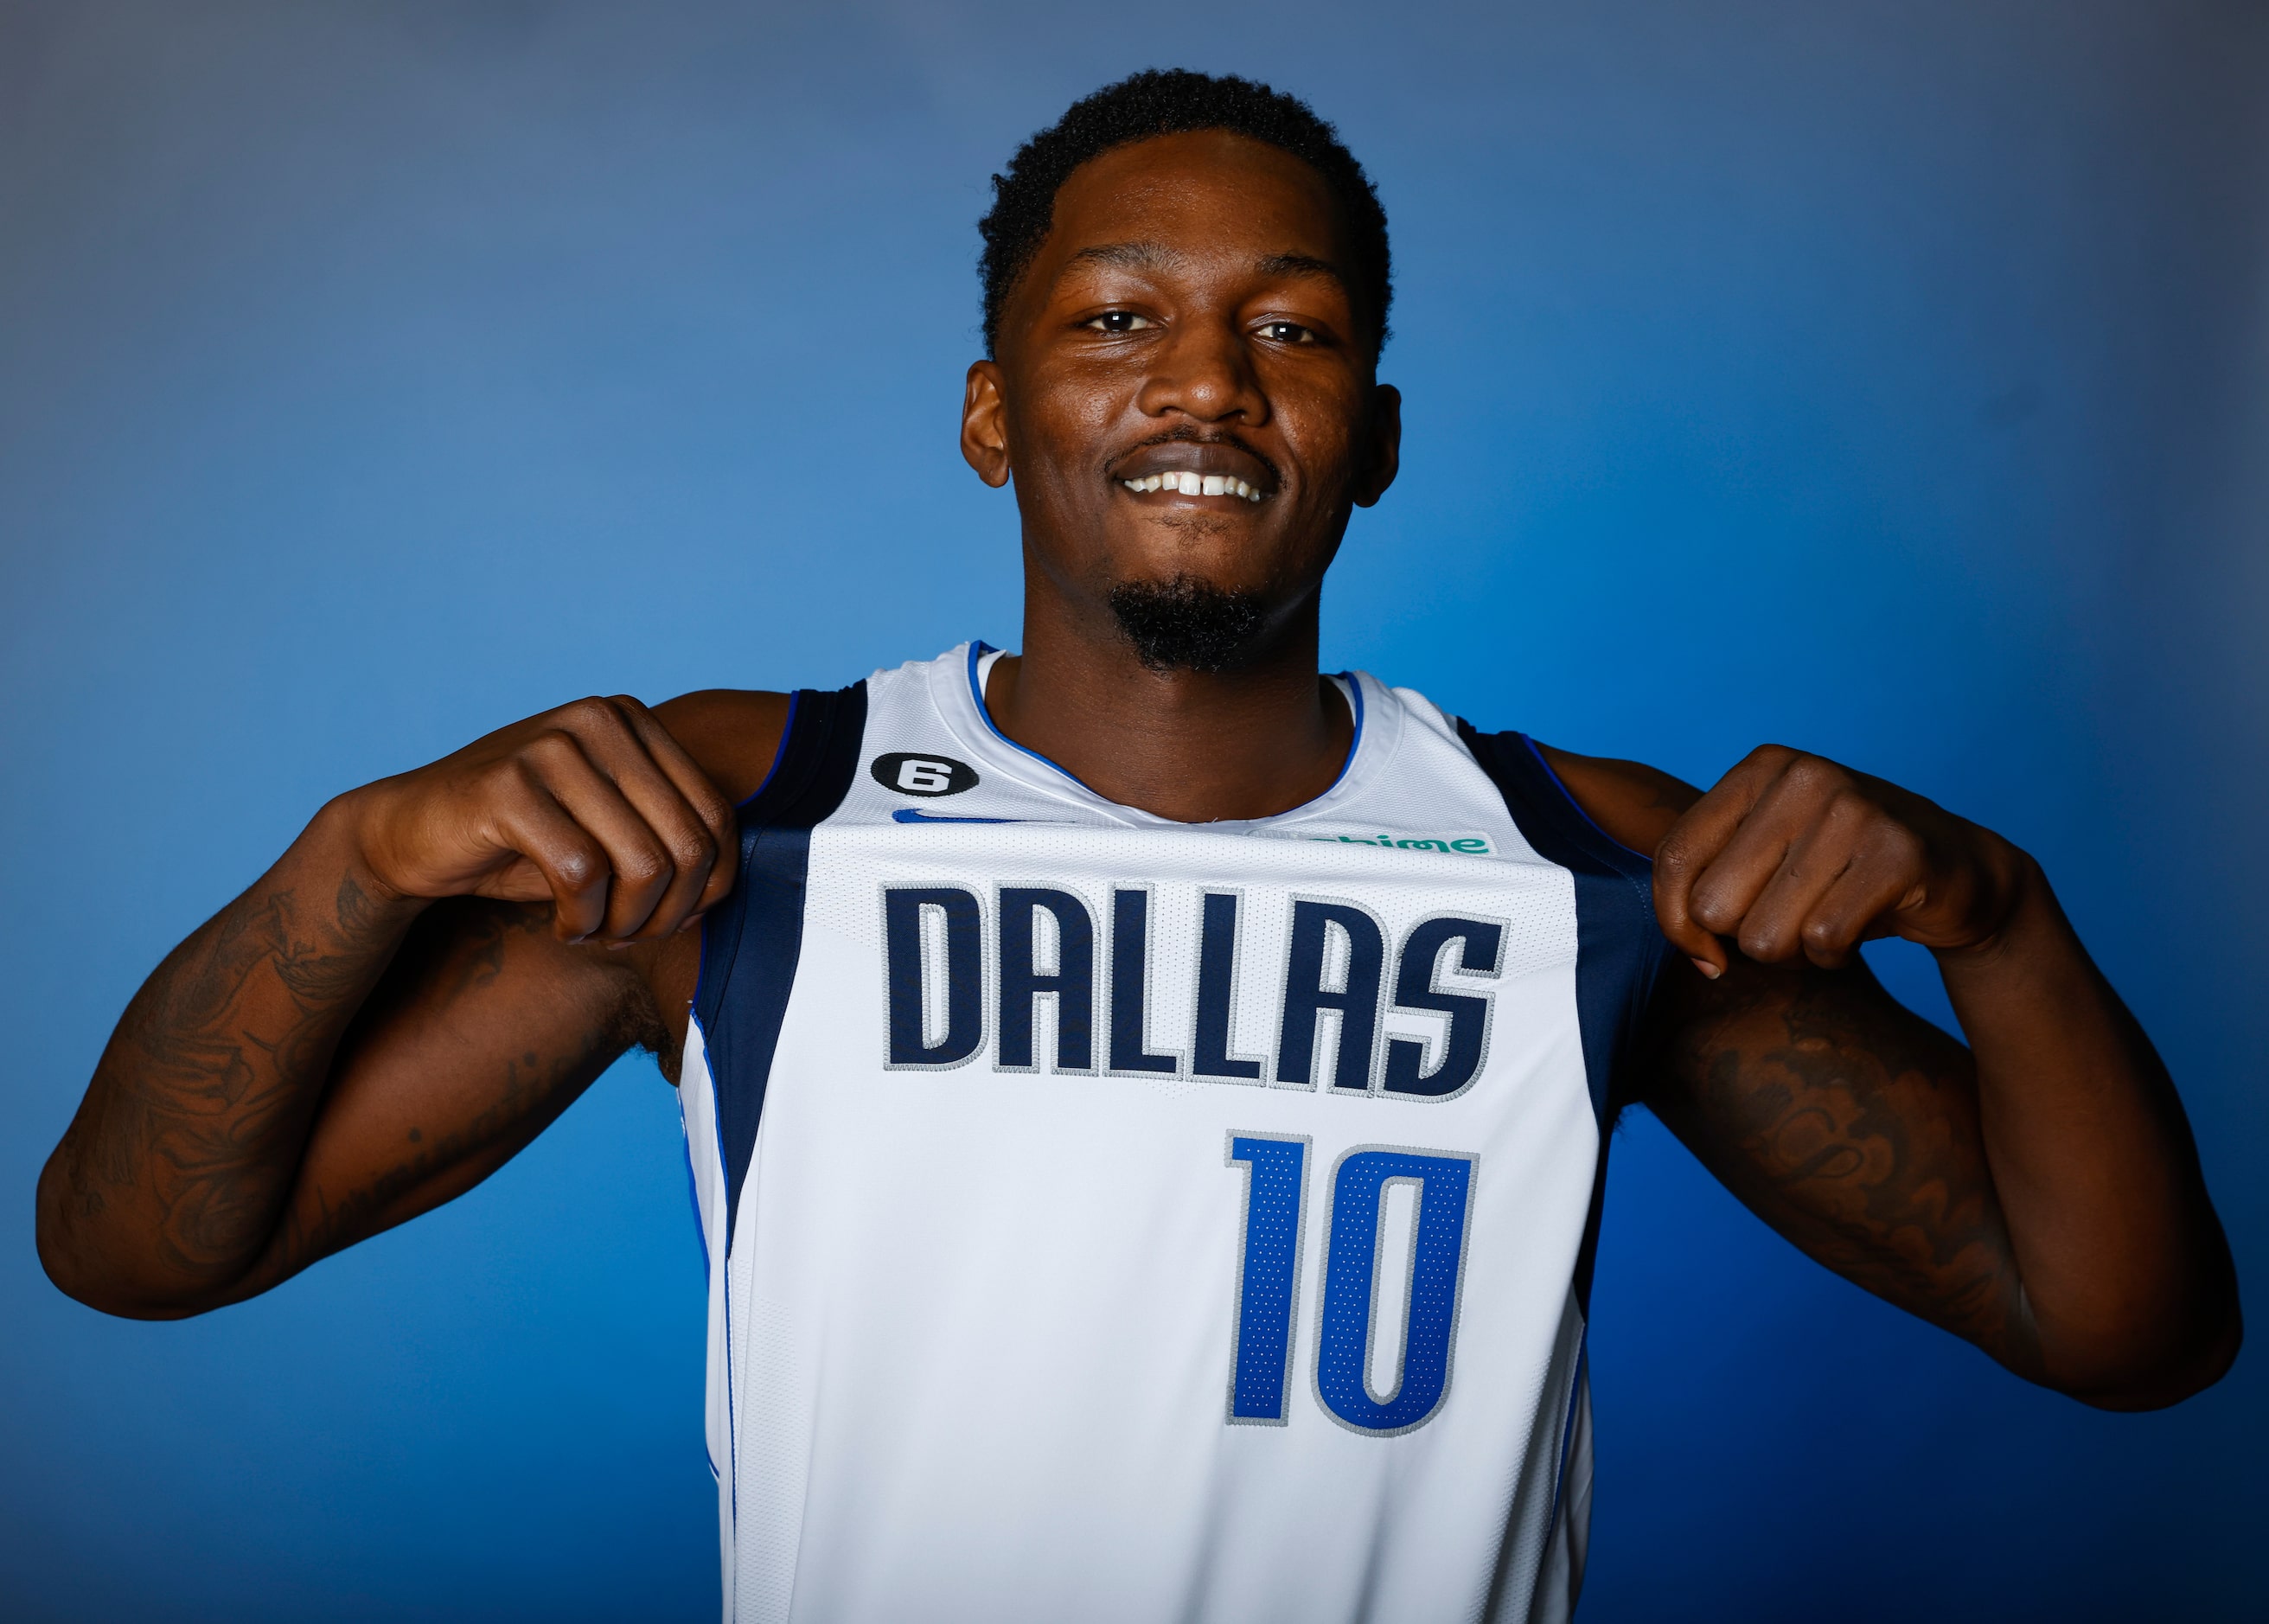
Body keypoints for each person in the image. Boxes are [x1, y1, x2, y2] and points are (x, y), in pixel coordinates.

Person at [36, 70, 2238, 1623]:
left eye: (1291, 330)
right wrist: (353, 858)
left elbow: (2121, 1333)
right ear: (996, 407)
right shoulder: (746, 816)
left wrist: (2007, 924)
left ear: (1369, 434)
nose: (1205, 385)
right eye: (1114, 321)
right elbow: (138, 1248)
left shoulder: (1579, 865)